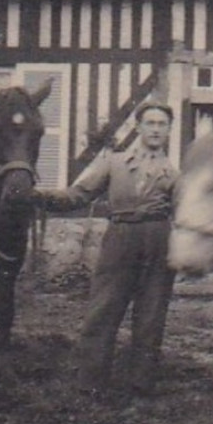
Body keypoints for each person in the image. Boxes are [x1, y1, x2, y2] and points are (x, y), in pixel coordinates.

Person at [34, 101, 179, 398]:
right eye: (149, 123)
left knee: (151, 313)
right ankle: (91, 380)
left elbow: (186, 215)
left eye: (161, 124)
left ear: (168, 130)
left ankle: (141, 382)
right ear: (138, 127)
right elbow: (79, 194)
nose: (155, 129)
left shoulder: (174, 174)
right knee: (104, 306)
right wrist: (39, 197)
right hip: (120, 236)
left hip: (158, 238)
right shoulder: (114, 162)